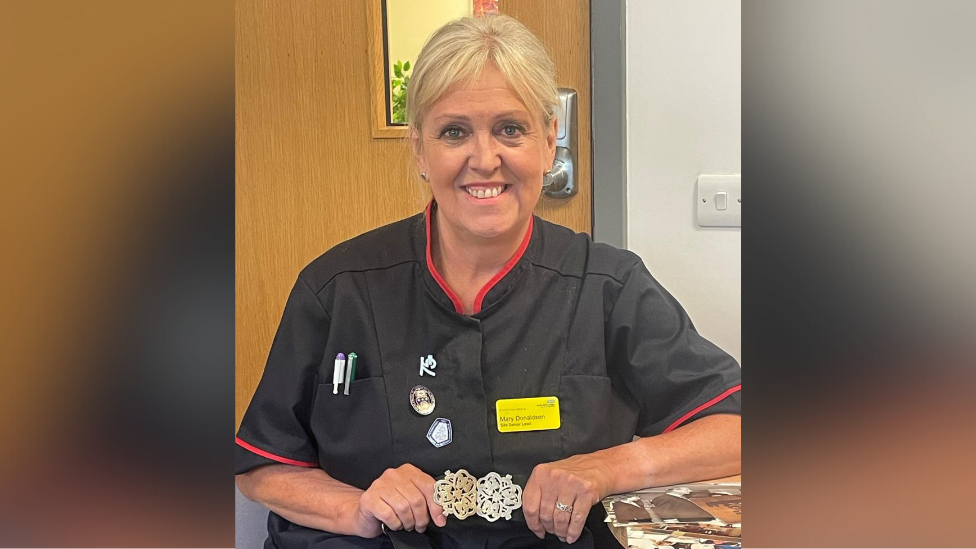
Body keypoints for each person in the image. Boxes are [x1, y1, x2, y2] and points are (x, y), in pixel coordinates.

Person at [235, 15, 741, 549]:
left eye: (510, 129)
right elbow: (263, 465)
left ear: (548, 142)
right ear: (418, 150)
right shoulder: (337, 289)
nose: (485, 159)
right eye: (454, 132)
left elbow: (733, 430)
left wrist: (603, 468)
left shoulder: (609, 286)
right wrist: (356, 507)